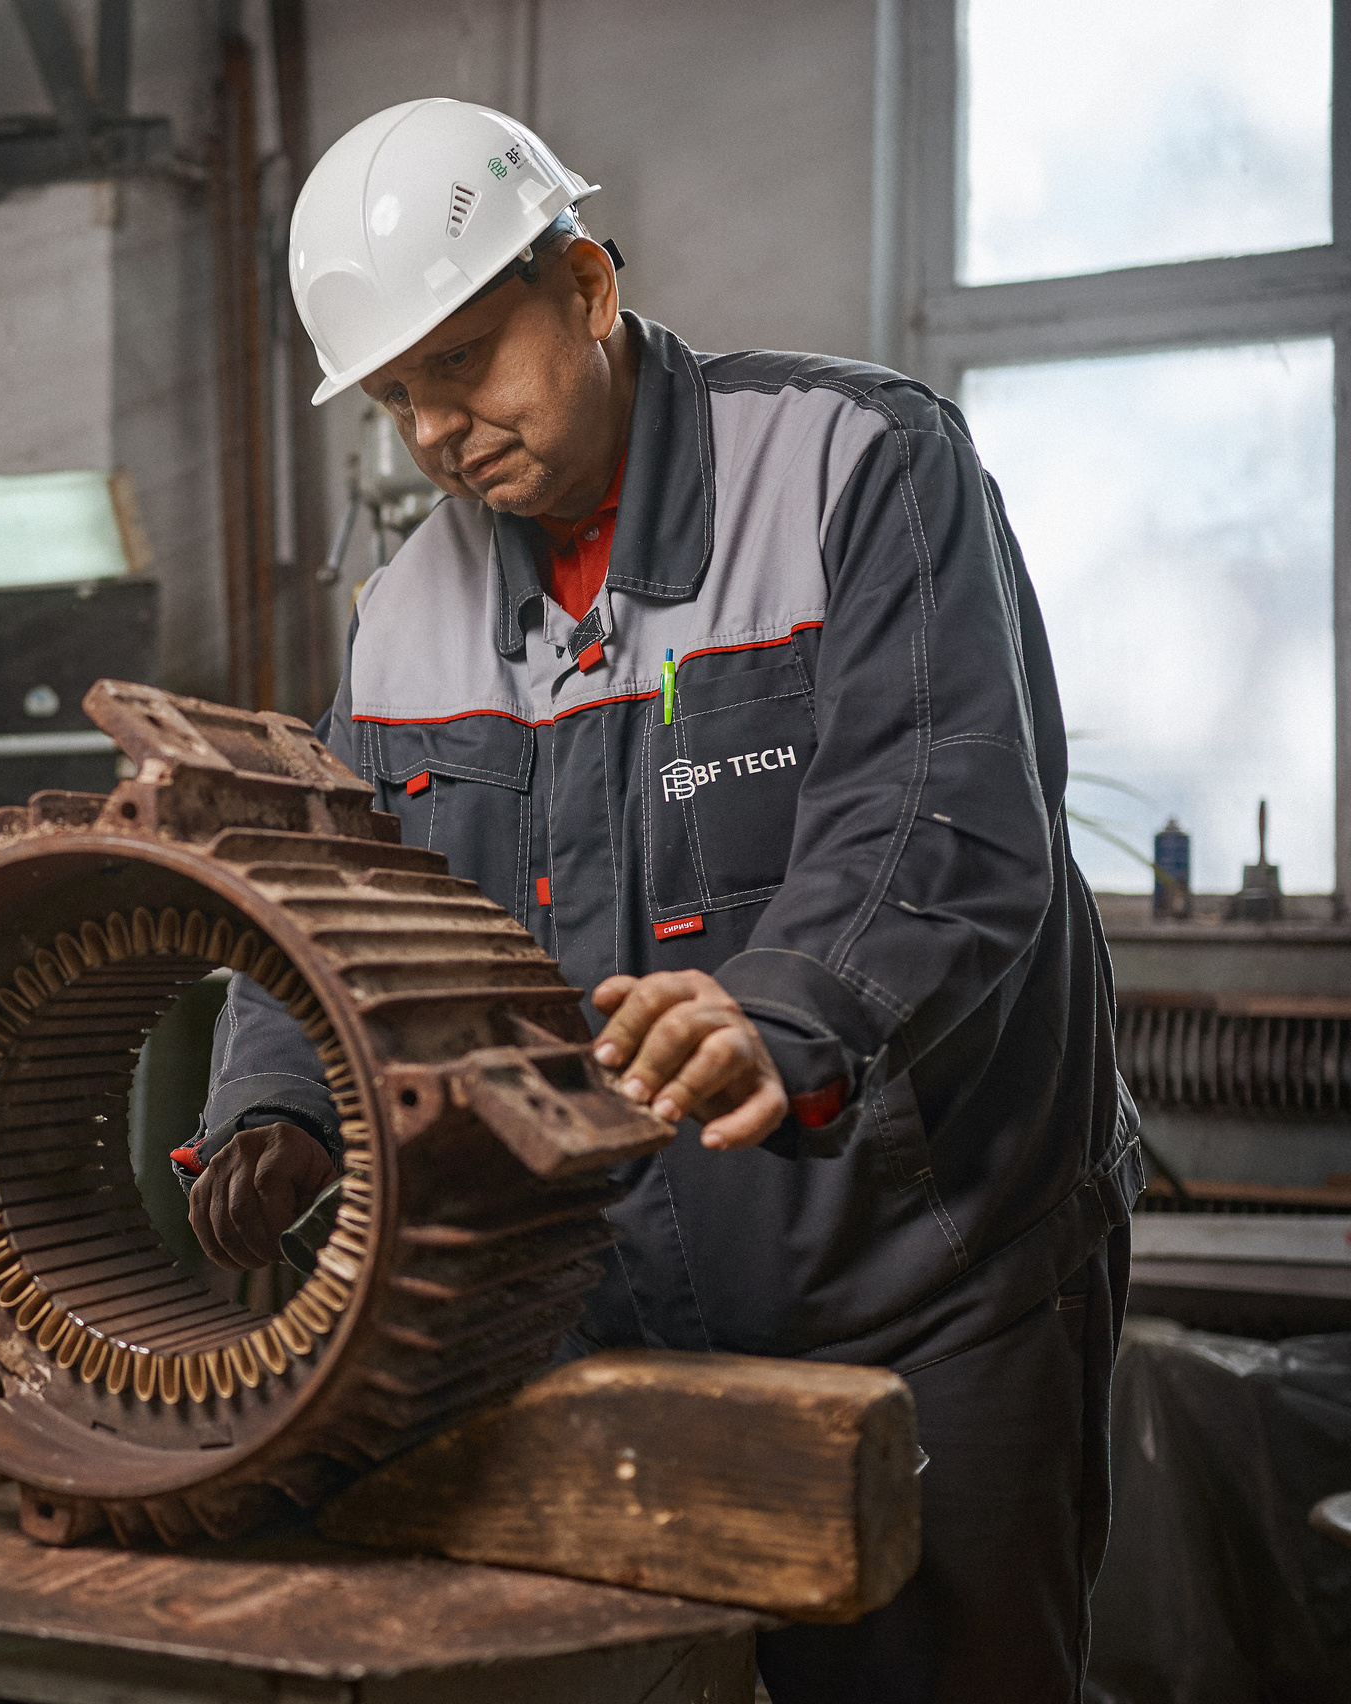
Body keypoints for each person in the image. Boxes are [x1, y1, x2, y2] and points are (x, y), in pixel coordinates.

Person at [171, 99, 1142, 1704]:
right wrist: (282, 1101)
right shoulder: (407, 619)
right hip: (598, 1304)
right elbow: (329, 901)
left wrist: (782, 1008)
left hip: (926, 1293)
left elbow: (945, 815)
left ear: (589, 288)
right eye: (398, 394)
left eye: (467, 360)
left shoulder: (856, 464)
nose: (435, 432)